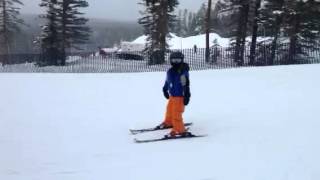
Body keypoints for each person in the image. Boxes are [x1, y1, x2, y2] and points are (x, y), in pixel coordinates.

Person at [157, 51, 192, 137]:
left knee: (176, 113)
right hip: (172, 96)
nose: (175, 62)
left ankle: (179, 130)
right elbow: (167, 81)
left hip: (179, 97)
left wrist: (187, 94)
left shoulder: (183, 72)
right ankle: (169, 122)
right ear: (171, 61)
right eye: (174, 60)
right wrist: (164, 89)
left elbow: (185, 84)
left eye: (178, 60)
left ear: (182, 60)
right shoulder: (170, 71)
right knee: (169, 110)